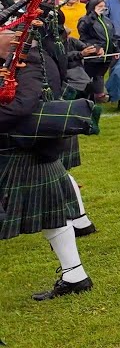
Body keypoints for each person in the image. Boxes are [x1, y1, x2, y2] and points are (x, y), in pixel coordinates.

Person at [0, 26, 94, 301]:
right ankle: (75, 275)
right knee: (52, 214)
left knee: (53, 213)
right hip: (14, 150)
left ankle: (75, 275)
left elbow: (21, 105)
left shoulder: (28, 60)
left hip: (25, 148)